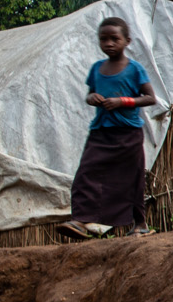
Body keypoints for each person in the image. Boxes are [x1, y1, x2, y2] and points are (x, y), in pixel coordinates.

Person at [62, 16, 157, 238]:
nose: (109, 43)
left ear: (127, 41)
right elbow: (89, 94)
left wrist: (122, 101)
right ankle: (80, 220)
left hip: (128, 133)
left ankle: (140, 224)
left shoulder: (134, 69)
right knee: (86, 173)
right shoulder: (97, 68)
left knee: (132, 178)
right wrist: (92, 97)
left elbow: (150, 98)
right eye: (103, 39)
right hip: (101, 132)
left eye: (115, 39)